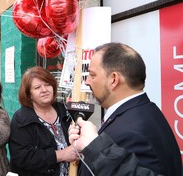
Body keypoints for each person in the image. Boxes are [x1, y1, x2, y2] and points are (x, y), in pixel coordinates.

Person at [68, 42, 182, 176]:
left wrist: (95, 145)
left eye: (92, 75)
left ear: (114, 80)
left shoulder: (130, 131)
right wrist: (88, 146)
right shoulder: (144, 111)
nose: (87, 81)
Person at [9, 66, 78, 176]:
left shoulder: (64, 110)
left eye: (47, 84)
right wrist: (61, 155)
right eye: (37, 87)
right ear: (29, 94)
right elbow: (21, 157)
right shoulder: (21, 118)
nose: (44, 90)